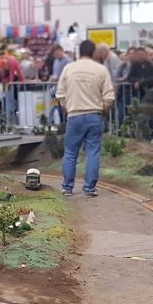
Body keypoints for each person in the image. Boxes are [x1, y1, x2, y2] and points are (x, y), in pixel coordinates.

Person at [55, 40, 115, 198]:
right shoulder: (101, 69)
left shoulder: (69, 68)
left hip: (74, 115)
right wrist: (104, 111)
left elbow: (60, 93)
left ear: (78, 52)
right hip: (94, 115)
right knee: (93, 153)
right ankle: (89, 188)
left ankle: (67, 187)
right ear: (94, 53)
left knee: (70, 152)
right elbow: (109, 96)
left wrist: (66, 108)